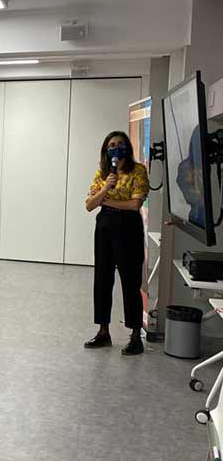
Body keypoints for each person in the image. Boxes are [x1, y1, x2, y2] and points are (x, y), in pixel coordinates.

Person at [84, 131, 149, 356]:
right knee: (102, 279)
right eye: (111, 145)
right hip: (105, 227)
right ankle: (103, 331)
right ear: (106, 150)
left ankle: (135, 336)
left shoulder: (138, 170)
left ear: (127, 148)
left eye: (120, 144)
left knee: (130, 281)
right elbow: (89, 205)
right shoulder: (103, 173)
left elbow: (135, 205)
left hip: (128, 227)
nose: (116, 148)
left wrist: (105, 201)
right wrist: (105, 189)